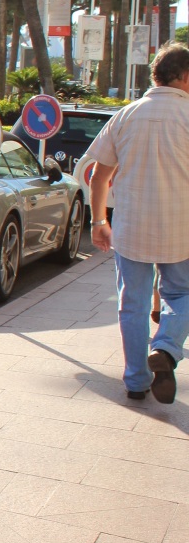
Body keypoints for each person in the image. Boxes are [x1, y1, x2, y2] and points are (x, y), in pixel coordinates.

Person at [89, 42, 189, 404]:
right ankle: (165, 346)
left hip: (131, 229)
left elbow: (99, 176)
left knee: (131, 302)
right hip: (182, 230)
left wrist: (98, 220)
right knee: (181, 294)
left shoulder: (126, 116)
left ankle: (135, 380)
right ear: (185, 77)